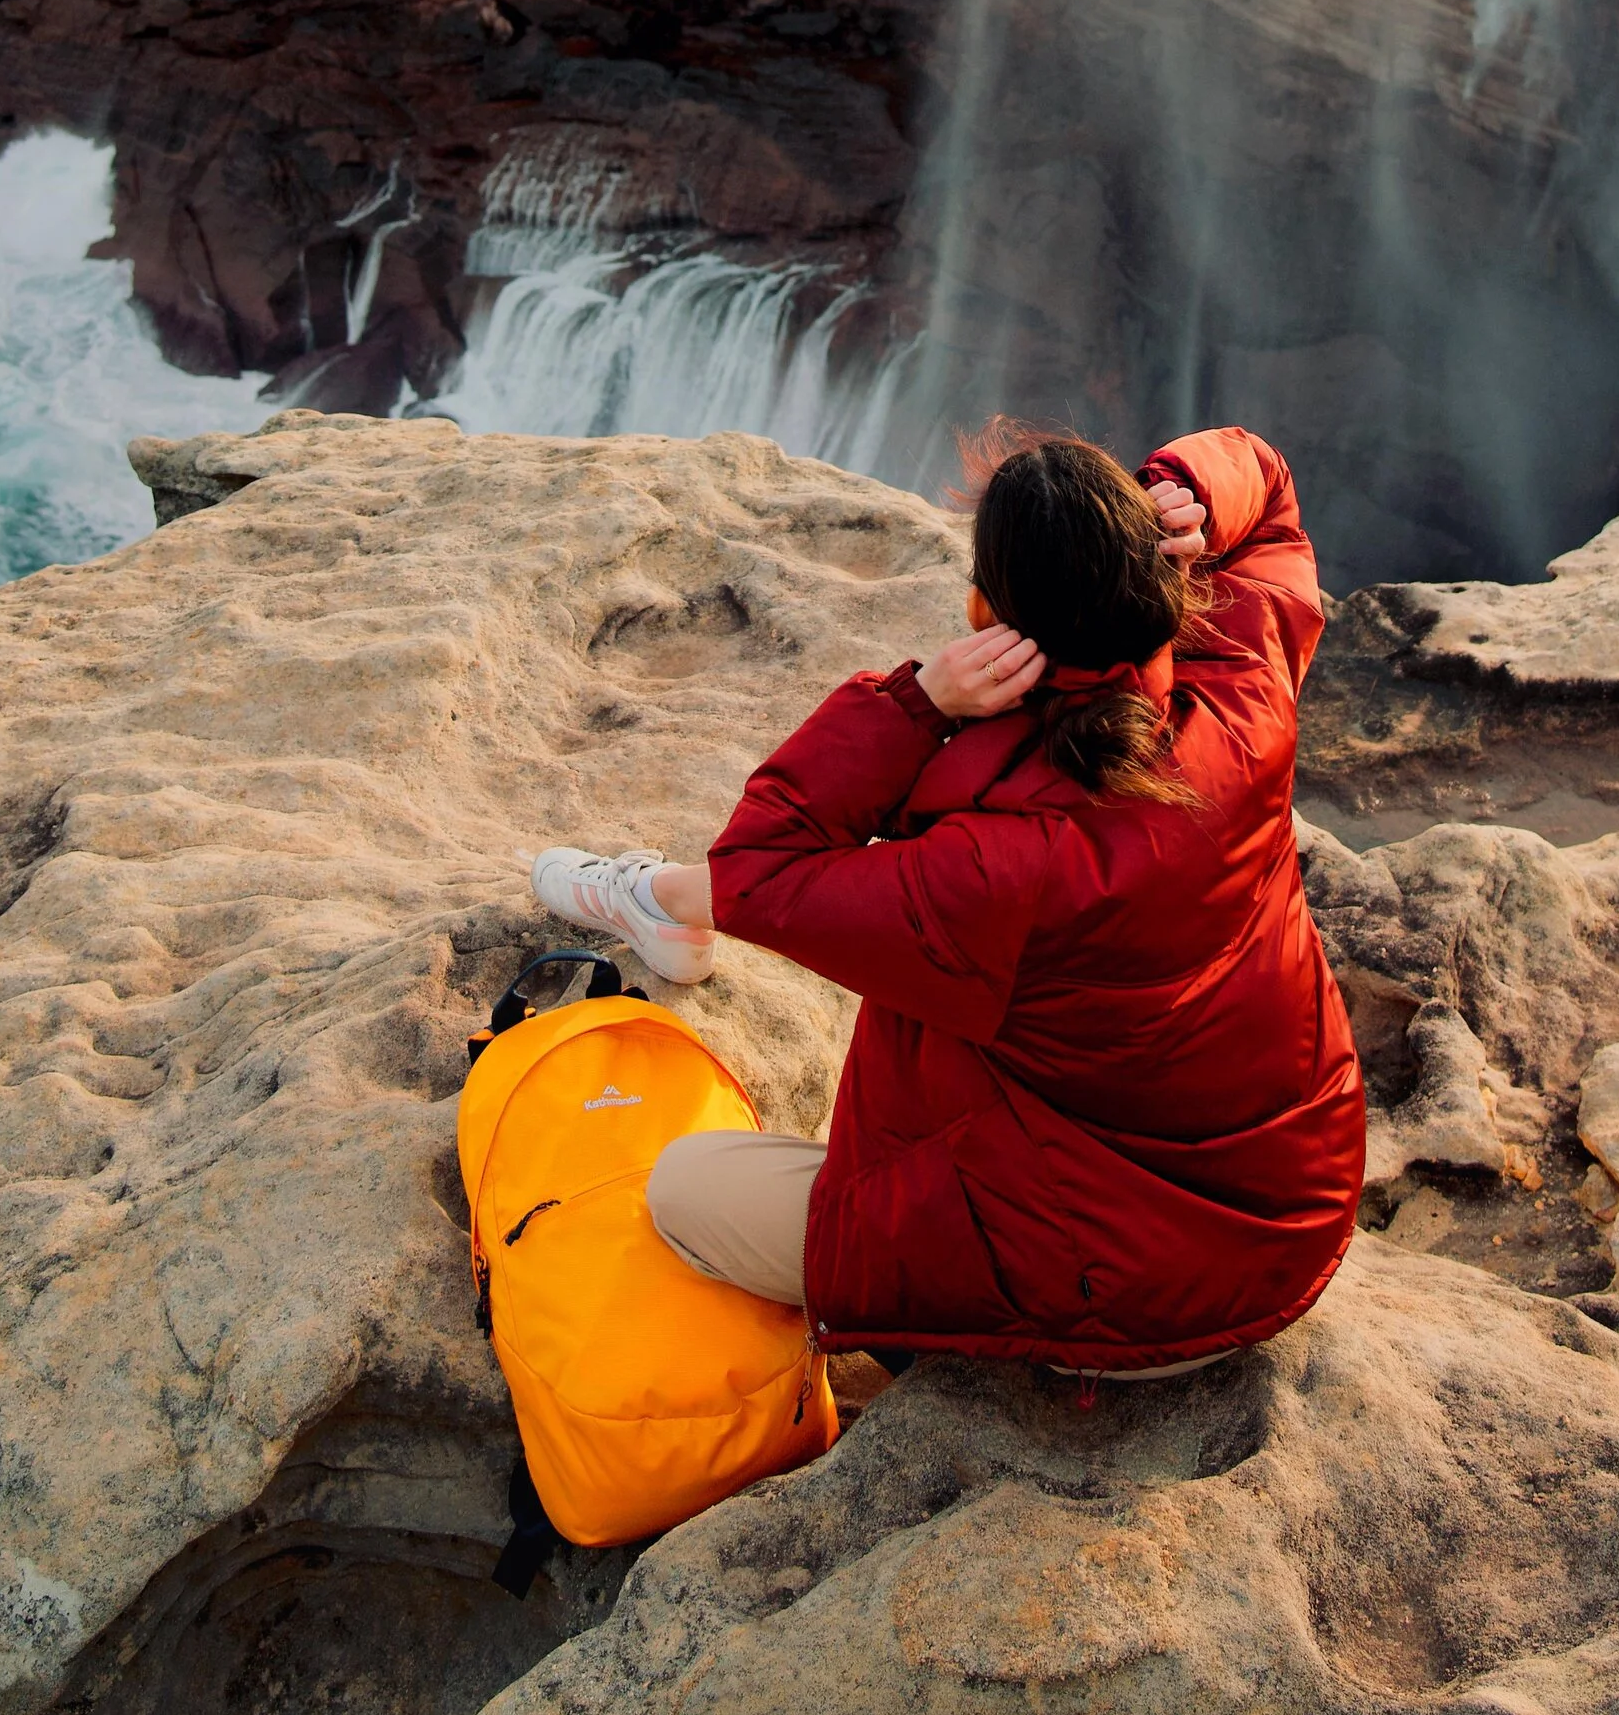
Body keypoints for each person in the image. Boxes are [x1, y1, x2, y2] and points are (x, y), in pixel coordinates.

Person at [529, 425, 1365, 1372]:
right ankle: (663, 902)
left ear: (990, 615)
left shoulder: (996, 869)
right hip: (1292, 1210)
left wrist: (917, 703)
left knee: (683, 1188)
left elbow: (761, 870)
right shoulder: (1242, 692)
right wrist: (1192, 494)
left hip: (1142, 1300)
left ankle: (659, 903)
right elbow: (1271, 491)